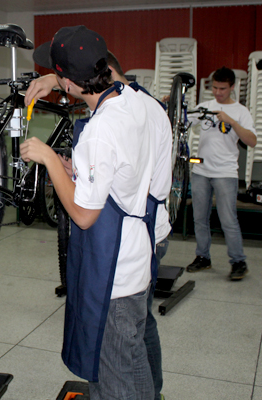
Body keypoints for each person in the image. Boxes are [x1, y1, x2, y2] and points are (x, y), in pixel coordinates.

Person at [20, 26, 156, 399]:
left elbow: (83, 216)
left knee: (113, 379)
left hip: (113, 276)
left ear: (69, 81)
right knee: (133, 362)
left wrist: (48, 159)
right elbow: (110, 175)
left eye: (58, 74)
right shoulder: (130, 100)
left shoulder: (100, 130)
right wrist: (74, 169)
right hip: (135, 261)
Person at [108, 51, 172, 400]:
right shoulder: (143, 103)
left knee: (129, 335)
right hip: (152, 229)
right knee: (142, 324)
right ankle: (155, 391)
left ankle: (148, 392)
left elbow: (126, 180)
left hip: (141, 235)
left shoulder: (131, 110)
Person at [185, 67, 257, 280]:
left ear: (232, 87)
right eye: (215, 88)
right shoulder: (205, 106)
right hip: (201, 170)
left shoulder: (240, 111)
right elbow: (185, 121)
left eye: (222, 89)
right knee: (199, 218)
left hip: (226, 172)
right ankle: (203, 257)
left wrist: (232, 122)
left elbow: (251, 141)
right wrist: (174, 104)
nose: (218, 92)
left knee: (228, 219)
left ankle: (238, 262)